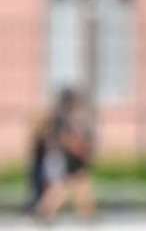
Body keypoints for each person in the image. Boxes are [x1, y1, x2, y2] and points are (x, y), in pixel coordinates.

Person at [35, 88, 96, 221]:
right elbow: (65, 139)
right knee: (63, 186)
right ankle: (44, 211)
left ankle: (86, 212)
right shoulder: (61, 119)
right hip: (61, 158)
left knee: (76, 184)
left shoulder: (62, 118)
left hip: (63, 158)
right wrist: (79, 150)